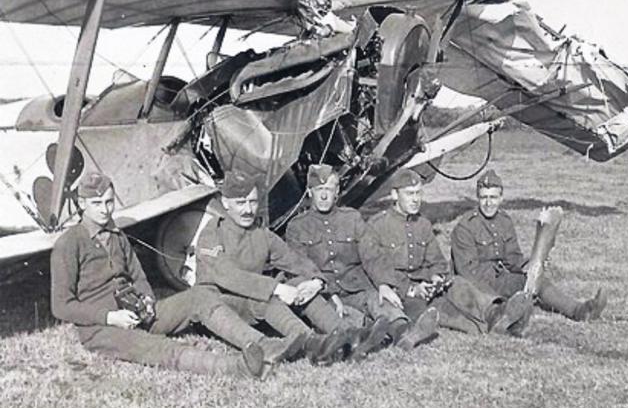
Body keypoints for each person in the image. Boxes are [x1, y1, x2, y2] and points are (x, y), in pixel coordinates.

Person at [50, 172, 303, 379]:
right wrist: (109, 317)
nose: (105, 210)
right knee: (160, 348)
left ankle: (262, 345)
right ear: (82, 204)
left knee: (200, 297)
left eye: (108, 202)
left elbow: (138, 278)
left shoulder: (117, 236)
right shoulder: (69, 244)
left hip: (137, 313)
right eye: (96, 204)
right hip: (100, 329)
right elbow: (61, 306)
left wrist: (148, 302)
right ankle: (236, 368)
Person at [192, 170, 386, 363]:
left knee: (299, 282)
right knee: (269, 293)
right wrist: (276, 288)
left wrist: (317, 282)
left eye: (252, 202)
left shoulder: (260, 234)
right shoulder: (212, 233)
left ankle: (346, 335)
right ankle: (313, 342)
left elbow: (293, 260)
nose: (248, 210)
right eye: (240, 203)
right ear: (226, 204)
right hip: (221, 307)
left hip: (254, 303)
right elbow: (226, 275)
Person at [360, 168, 534, 342]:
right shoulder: (377, 225)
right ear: (394, 195)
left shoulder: (423, 224)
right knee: (439, 312)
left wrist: (435, 277)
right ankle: (489, 326)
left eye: (418, 193)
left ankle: (495, 313)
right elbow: (375, 264)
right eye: (409, 194)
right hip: (402, 293)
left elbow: (437, 261)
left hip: (427, 287)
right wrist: (412, 289)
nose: (415, 199)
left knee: (458, 283)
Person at [286, 164, 435, 351]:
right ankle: (367, 335)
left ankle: (403, 333)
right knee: (340, 316)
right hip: (326, 294)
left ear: (337, 191)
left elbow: (371, 254)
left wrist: (383, 284)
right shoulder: (297, 227)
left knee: (379, 300)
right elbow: (301, 267)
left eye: (329, 189)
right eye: (319, 190)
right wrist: (330, 294)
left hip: (357, 287)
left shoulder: (352, 218)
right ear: (309, 192)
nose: (324, 195)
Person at [450, 169, 607, 322]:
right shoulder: (465, 227)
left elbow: (513, 260)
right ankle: (507, 313)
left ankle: (579, 311)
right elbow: (468, 275)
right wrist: (497, 298)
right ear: (478, 198)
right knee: (513, 298)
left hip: (501, 279)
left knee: (537, 280)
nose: (488, 203)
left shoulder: (504, 221)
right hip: (478, 288)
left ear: (501, 198)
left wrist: (531, 266)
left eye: (493, 197)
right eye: (484, 197)